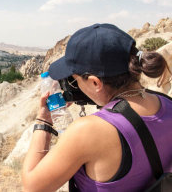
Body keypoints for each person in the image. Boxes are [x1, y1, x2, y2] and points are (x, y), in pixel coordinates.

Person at [22, 23, 172, 192]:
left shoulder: (89, 130)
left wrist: (43, 120)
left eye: (75, 80)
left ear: (95, 82)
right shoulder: (166, 102)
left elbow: (32, 187)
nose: (73, 86)